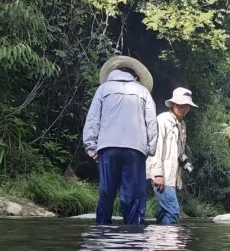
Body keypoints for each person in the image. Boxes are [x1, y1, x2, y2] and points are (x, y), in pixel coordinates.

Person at [82, 56, 158, 225]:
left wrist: (91, 146)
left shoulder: (103, 89)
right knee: (132, 196)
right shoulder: (143, 92)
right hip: (135, 149)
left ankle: (103, 234)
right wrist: (151, 149)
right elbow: (151, 122)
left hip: (107, 148)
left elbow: (93, 119)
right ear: (135, 76)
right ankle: (132, 239)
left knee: (106, 193)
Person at [147, 87, 197, 225]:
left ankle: (157, 244)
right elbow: (155, 148)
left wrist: (185, 161)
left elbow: (178, 151)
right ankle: (168, 246)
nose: (183, 108)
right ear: (173, 104)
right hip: (161, 174)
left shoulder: (182, 124)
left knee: (164, 213)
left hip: (172, 176)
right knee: (173, 212)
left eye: (186, 105)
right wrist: (158, 174)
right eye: (180, 104)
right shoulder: (162, 120)